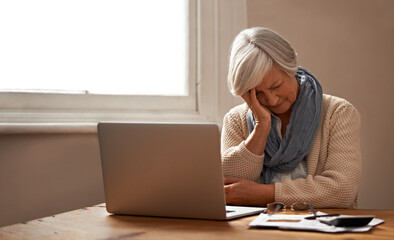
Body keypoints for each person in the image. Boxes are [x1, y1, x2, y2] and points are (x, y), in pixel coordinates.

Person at [222, 27, 361, 209]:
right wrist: (261, 126)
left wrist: (263, 194)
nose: (271, 100)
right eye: (258, 93)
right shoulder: (236, 119)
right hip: (257, 231)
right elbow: (229, 188)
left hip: (325, 230)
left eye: (276, 86)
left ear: (291, 68)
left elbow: (342, 190)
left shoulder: (338, 113)